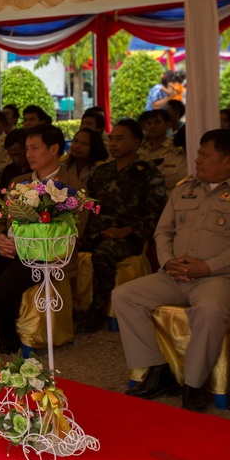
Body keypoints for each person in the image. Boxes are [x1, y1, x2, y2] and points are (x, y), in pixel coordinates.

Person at [115, 129, 230, 412]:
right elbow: (162, 232)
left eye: (204, 154)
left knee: (210, 310)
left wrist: (208, 267)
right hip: (173, 275)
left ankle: (194, 385)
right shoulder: (184, 188)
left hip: (221, 278)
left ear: (228, 161)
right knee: (124, 296)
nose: (197, 159)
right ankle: (158, 371)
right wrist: (167, 261)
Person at [0, 125, 85, 353]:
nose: (29, 154)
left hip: (44, 253)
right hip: (9, 248)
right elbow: (1, 219)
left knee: (4, 286)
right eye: (27, 148)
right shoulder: (18, 182)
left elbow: (72, 232)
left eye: (35, 148)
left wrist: (26, 244)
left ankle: (7, 338)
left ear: (54, 149)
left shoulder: (73, 187)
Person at [75, 119, 168, 333]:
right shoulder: (102, 172)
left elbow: (156, 213)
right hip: (97, 231)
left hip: (128, 236)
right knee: (63, 245)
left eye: (119, 139)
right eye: (111, 139)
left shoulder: (148, 173)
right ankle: (66, 307)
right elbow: (89, 205)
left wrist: (126, 231)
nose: (113, 143)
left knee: (104, 254)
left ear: (135, 142)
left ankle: (97, 311)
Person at [137, 109, 188, 192]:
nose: (152, 126)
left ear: (167, 124)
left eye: (157, 122)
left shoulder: (177, 149)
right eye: (149, 123)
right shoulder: (139, 150)